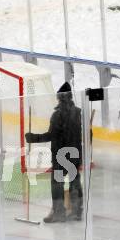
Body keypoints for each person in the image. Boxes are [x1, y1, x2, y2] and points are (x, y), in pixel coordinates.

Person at [25, 82, 83, 223]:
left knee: (57, 183)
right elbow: (87, 133)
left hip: (61, 157)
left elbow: (52, 135)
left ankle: (59, 212)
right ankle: (76, 211)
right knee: (74, 181)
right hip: (74, 155)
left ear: (59, 98)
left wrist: (34, 137)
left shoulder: (57, 115)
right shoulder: (79, 113)